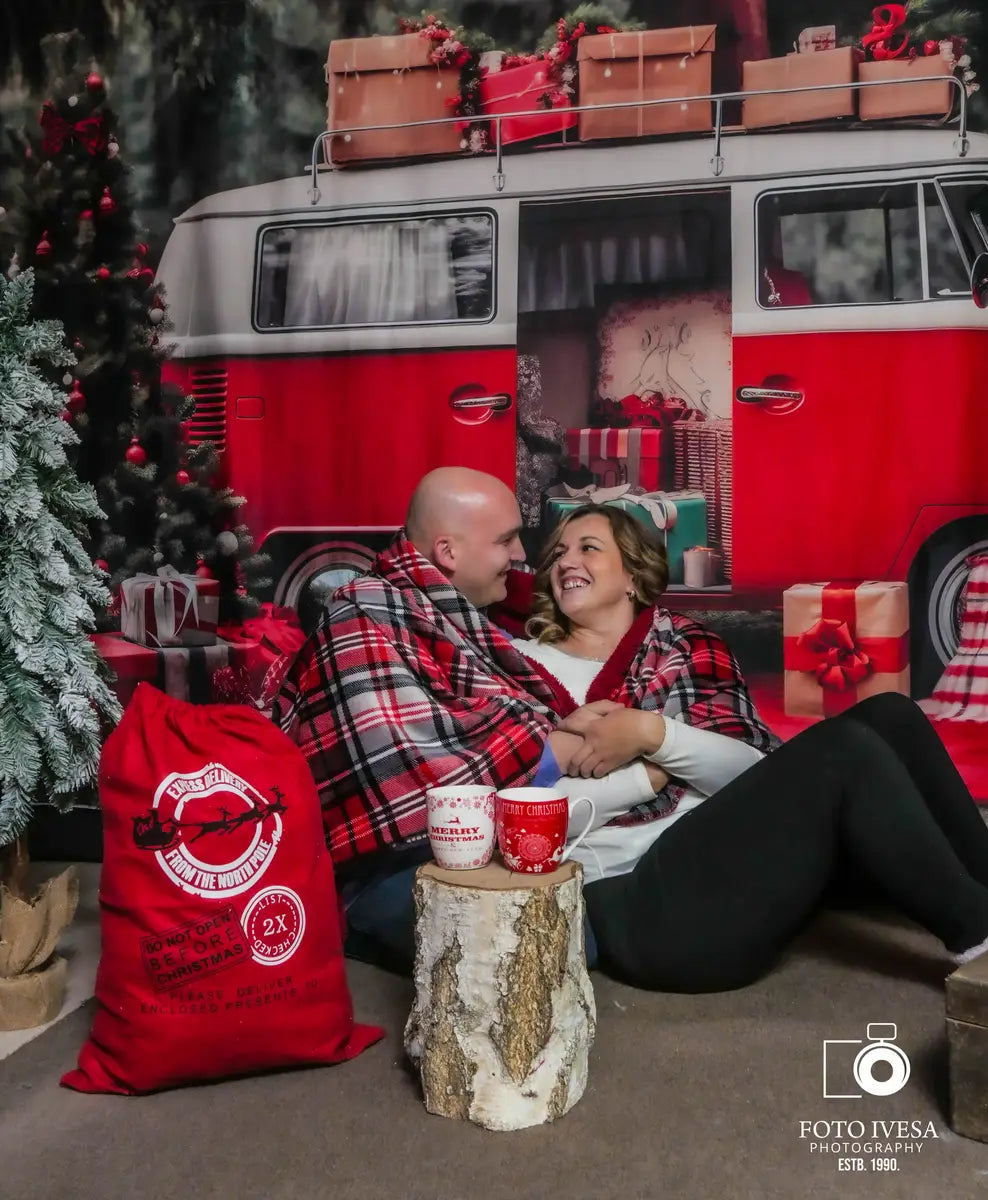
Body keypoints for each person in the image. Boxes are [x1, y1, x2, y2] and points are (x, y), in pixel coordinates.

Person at [513, 503, 988, 992]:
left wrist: (650, 734)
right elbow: (523, 811)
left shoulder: (687, 646)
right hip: (645, 903)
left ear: (633, 573)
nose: (567, 562)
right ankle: (978, 934)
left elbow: (749, 769)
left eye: (588, 548)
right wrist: (652, 774)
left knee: (892, 714)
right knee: (841, 750)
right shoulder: (521, 668)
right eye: (558, 554)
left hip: (731, 859)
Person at [273, 466, 584, 974]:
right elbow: (403, 768)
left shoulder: (444, 610)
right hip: (384, 865)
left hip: (461, 848)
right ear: (448, 553)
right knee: (551, 948)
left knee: (570, 931)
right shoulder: (362, 614)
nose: (522, 555)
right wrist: (554, 746)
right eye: (506, 540)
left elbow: (480, 717)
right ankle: (366, 927)